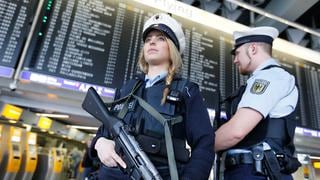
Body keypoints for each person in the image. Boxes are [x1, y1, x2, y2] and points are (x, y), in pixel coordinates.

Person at [89, 13, 215, 180]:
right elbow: (102, 133)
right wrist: (99, 143)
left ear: (173, 48)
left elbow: (204, 144)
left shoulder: (186, 91)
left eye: (161, 38)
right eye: (148, 40)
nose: (152, 42)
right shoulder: (126, 89)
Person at [214, 26, 301, 180]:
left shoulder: (270, 77)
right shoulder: (268, 78)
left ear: (253, 49)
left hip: (256, 171)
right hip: (254, 170)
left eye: (237, 53)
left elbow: (236, 131)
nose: (235, 60)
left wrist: (201, 146)